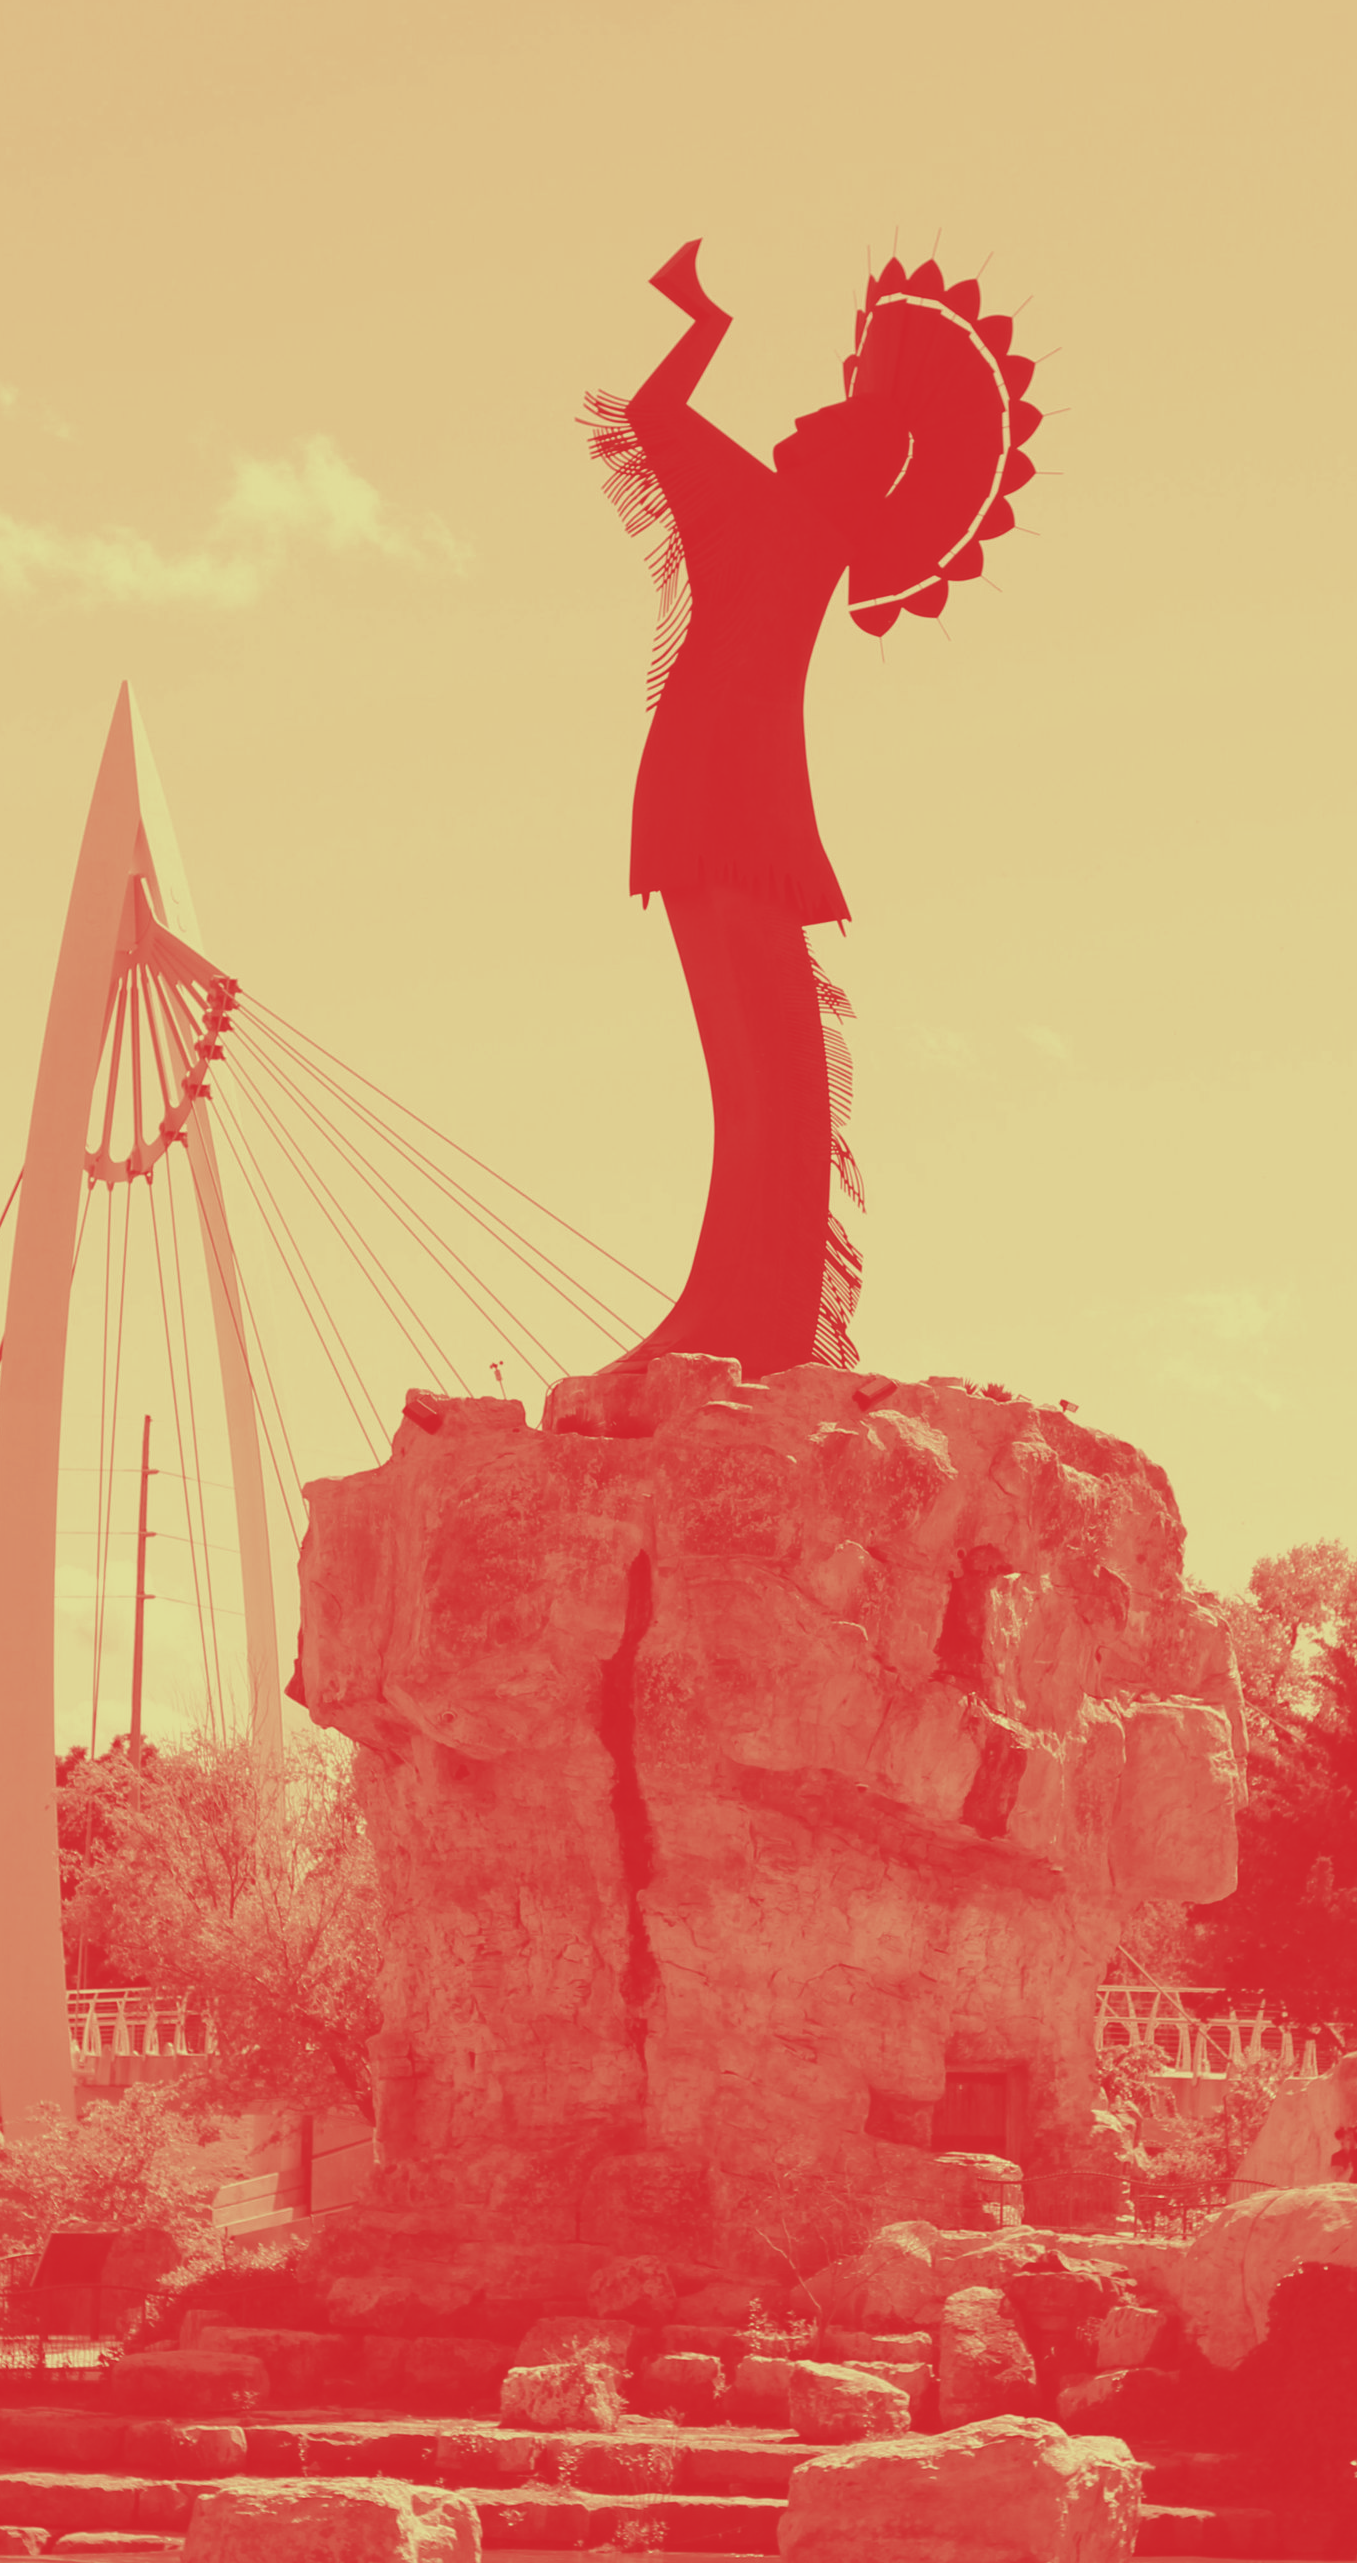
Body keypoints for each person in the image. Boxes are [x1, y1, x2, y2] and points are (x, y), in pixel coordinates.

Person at [587, 239, 1037, 1379]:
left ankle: (743, 1320)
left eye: (824, 421)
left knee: (761, 1078)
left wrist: (703, 322)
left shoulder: (768, 508)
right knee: (763, 1075)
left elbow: (650, 411)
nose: (796, 423)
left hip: (718, 798)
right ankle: (743, 1315)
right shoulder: (788, 515)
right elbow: (654, 415)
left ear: (843, 460)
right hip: (731, 800)